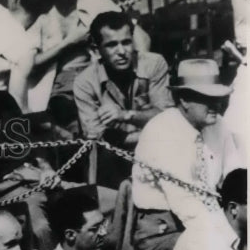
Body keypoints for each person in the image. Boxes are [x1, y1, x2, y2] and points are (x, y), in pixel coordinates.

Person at [131, 59, 244, 250]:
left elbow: (236, 178)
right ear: (184, 99)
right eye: (206, 98)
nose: (216, 105)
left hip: (209, 220)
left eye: (218, 97)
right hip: (163, 230)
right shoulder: (162, 131)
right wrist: (230, 240)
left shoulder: (217, 124)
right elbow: (187, 205)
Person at [73, 11, 174, 187]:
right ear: (97, 50)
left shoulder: (154, 63)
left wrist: (125, 115)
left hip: (156, 153)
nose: (122, 52)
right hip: (113, 162)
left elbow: (167, 118)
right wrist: (149, 131)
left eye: (126, 42)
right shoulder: (85, 82)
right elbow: (98, 140)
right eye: (112, 45)